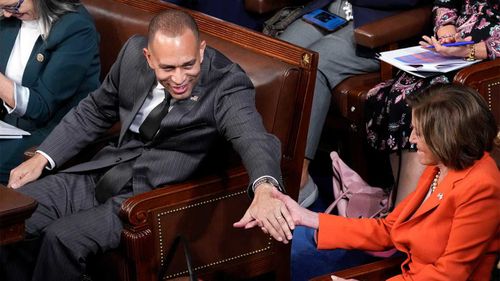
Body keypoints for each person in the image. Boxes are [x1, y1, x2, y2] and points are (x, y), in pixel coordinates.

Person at [0, 10, 292, 281]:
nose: (179, 79)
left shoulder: (226, 84)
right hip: (101, 171)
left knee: (61, 238)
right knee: (10, 217)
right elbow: (96, 110)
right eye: (167, 68)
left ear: (201, 51)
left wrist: (265, 187)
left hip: (150, 197)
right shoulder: (131, 57)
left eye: (189, 64)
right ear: (149, 58)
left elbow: (253, 137)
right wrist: (42, 157)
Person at [274, 84, 500, 280]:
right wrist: (307, 217)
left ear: (446, 138)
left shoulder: (481, 188)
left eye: (419, 134)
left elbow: (449, 275)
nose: (411, 139)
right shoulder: (440, 165)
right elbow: (389, 229)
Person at [278, 0, 428, 207]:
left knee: (315, 62)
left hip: (382, 22)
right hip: (336, 8)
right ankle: (269, 167)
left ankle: (300, 180)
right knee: (278, 55)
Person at [365, 0, 499, 203]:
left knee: (430, 104)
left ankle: (407, 214)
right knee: (397, 98)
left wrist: (469, 51)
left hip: (487, 65)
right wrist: (446, 30)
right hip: (454, 50)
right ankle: (407, 208)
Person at [0, 0, 101, 184]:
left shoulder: (76, 28)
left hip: (47, 134)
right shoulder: (9, 18)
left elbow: (41, 108)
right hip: (7, 125)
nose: (6, 14)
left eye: (12, 6)